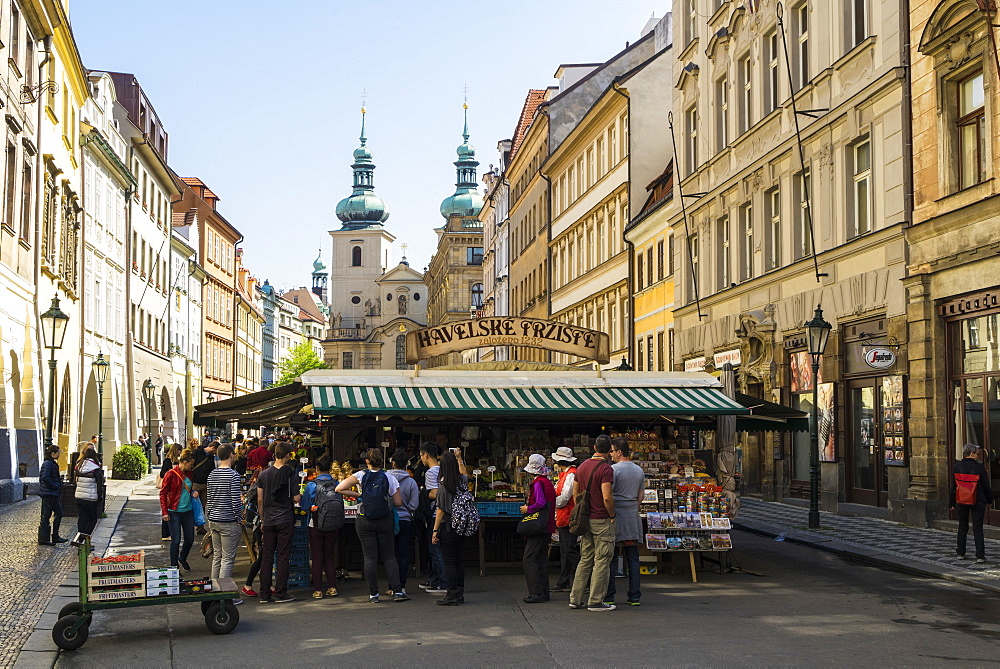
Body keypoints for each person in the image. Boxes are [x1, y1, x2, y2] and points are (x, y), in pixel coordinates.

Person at [336, 448, 407, 603]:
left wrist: (359, 495)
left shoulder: (361, 475)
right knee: (389, 556)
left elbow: (339, 488)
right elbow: (398, 502)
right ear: (382, 461)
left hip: (364, 520)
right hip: (384, 520)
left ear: (366, 461)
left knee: (369, 557)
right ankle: (397, 591)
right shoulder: (389, 477)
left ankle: (373, 594)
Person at [569, 434, 617, 612]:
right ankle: (596, 600)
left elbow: (575, 494)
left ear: (594, 448)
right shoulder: (606, 469)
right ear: (609, 451)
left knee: (585, 558)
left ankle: (575, 598)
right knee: (602, 560)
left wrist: (581, 511)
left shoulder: (581, 467)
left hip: (586, 519)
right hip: (601, 519)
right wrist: (612, 514)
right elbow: (607, 496)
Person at [257, 442, 300, 603]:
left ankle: (264, 594)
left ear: (274, 455)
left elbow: (260, 500)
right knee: (282, 557)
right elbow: (295, 497)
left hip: (268, 520)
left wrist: (262, 519)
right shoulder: (291, 474)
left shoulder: (263, 475)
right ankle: (281, 593)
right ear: (288, 456)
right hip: (284, 519)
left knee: (267, 557)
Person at [605, 437, 646, 606]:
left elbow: (608, 494)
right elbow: (641, 495)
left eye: (612, 451)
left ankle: (609, 595)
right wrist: (633, 506)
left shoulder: (613, 470)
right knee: (633, 559)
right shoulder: (639, 471)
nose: (611, 454)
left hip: (617, 516)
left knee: (612, 558)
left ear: (619, 452)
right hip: (632, 516)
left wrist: (612, 512)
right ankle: (634, 596)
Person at [431, 449, 471, 606]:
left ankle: (451, 593)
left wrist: (435, 530)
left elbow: (440, 509)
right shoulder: (462, 480)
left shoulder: (443, 485)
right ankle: (459, 592)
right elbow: (464, 472)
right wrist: (460, 459)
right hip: (462, 525)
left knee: (449, 561)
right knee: (459, 560)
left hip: (448, 526)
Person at [300, 455, 341, 599]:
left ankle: (318, 590)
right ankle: (332, 587)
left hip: (316, 524)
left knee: (317, 557)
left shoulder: (312, 485)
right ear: (330, 468)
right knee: (328, 556)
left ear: (316, 469)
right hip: (333, 524)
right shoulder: (337, 483)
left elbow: (305, 506)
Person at [206, 444, 243, 591]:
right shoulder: (233, 475)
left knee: (217, 557)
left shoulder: (212, 474)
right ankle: (224, 595)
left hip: (214, 519)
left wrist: (209, 516)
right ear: (230, 455)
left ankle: (213, 590)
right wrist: (239, 519)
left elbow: (209, 498)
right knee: (227, 560)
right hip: (228, 521)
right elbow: (235, 501)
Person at [520, 454, 556, 603]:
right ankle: (543, 592)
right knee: (540, 559)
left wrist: (527, 509)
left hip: (538, 526)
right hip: (546, 525)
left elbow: (540, 503)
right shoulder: (546, 482)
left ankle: (536, 592)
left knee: (529, 558)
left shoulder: (538, 484)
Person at [951, 443, 993, 563]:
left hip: (961, 500)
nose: (978, 456)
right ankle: (980, 555)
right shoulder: (979, 468)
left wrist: (952, 502)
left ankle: (960, 552)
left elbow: (953, 486)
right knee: (977, 528)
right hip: (978, 501)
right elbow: (985, 486)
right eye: (977, 454)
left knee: (962, 526)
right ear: (972, 454)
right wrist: (989, 500)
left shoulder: (957, 466)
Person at [159, 447, 198, 570]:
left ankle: (182, 557)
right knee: (176, 540)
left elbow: (189, 489)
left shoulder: (190, 474)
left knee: (190, 539)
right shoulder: (170, 474)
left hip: (188, 510)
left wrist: (194, 492)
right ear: (185, 462)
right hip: (174, 511)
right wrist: (165, 512)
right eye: (190, 464)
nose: (191, 467)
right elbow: (163, 493)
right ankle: (174, 566)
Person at [388, 450, 420, 597]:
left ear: (392, 463)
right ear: (406, 464)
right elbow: (414, 505)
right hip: (405, 520)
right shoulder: (411, 481)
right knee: (403, 553)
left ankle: (391, 586)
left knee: (390, 554)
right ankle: (401, 586)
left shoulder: (386, 479)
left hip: (388, 519)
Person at [417, 442, 447, 594]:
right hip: (444, 514)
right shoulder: (444, 468)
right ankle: (435, 579)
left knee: (435, 550)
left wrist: (422, 493)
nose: (421, 459)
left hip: (435, 514)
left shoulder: (430, 472)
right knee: (436, 549)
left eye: (421, 455)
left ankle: (442, 582)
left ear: (426, 455)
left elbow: (435, 494)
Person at [551, 447, 579, 592]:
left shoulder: (571, 475)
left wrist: (551, 502)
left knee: (569, 550)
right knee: (566, 550)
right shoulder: (566, 474)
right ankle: (564, 580)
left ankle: (581, 579)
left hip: (568, 516)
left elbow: (563, 499)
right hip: (564, 516)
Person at [38, 444, 66, 546]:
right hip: (50, 493)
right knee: (59, 513)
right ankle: (55, 536)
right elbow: (45, 477)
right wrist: (55, 486)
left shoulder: (50, 463)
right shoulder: (49, 464)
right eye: (58, 452)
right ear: (52, 453)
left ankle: (44, 538)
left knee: (46, 515)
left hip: (48, 493)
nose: (59, 454)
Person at [75, 444, 105, 537]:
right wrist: (99, 497)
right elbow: (99, 485)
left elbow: (75, 481)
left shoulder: (79, 466)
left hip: (79, 497)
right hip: (91, 498)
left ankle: (80, 539)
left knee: (82, 519)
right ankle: (85, 539)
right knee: (92, 519)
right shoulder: (95, 468)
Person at [190, 440, 218, 534]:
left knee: (202, 505)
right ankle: (191, 525)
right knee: (194, 505)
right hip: (196, 483)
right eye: (216, 451)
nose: (215, 454)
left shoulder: (211, 457)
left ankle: (200, 526)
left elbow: (212, 470)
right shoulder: (197, 452)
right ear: (213, 448)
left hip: (205, 484)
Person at [158, 443, 182, 541]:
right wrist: (171, 471)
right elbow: (162, 473)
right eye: (180, 450)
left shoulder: (178, 461)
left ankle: (170, 532)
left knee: (173, 510)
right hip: (169, 488)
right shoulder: (168, 460)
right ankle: (165, 533)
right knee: (167, 510)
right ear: (177, 450)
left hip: (176, 488)